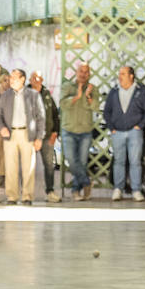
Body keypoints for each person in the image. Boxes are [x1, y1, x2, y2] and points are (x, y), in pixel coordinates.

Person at [102, 66, 145, 202]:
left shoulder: (140, 91)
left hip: (134, 132)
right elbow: (107, 111)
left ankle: (136, 190)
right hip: (117, 132)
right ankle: (118, 189)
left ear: (131, 76)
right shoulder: (114, 92)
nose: (120, 76)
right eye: (120, 73)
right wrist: (111, 127)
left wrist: (140, 126)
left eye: (123, 74)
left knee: (135, 162)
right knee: (118, 161)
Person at [0, 69, 45, 206]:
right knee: (10, 167)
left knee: (29, 167)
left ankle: (27, 196)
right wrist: (1, 128)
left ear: (23, 79)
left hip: (28, 134)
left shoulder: (33, 95)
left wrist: (39, 137)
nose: (11, 80)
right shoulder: (5, 96)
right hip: (10, 134)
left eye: (14, 78)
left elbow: (41, 117)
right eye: (10, 78)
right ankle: (12, 196)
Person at [59, 62, 97, 201]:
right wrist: (76, 96)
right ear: (76, 72)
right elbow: (62, 105)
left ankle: (76, 191)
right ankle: (86, 182)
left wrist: (87, 96)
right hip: (69, 129)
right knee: (71, 160)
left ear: (89, 74)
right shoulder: (67, 86)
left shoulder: (93, 89)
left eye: (86, 72)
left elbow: (96, 107)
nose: (83, 74)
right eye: (81, 71)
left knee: (82, 162)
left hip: (85, 130)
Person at [29, 71, 60, 202]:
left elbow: (54, 113)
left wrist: (55, 132)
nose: (36, 80)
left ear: (42, 80)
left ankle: (50, 191)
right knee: (28, 167)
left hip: (47, 136)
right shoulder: (25, 94)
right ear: (30, 80)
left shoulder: (46, 94)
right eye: (33, 78)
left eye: (39, 78)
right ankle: (27, 194)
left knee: (49, 165)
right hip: (30, 136)